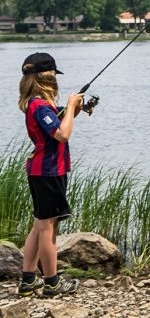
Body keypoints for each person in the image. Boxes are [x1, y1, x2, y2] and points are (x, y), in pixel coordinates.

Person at [18, 53, 82, 297]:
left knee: (39, 226)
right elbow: (61, 134)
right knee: (48, 229)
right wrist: (71, 105)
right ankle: (52, 283)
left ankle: (27, 281)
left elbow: (57, 122)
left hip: (42, 171)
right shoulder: (40, 105)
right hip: (48, 172)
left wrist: (74, 110)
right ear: (47, 79)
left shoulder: (37, 104)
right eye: (54, 76)